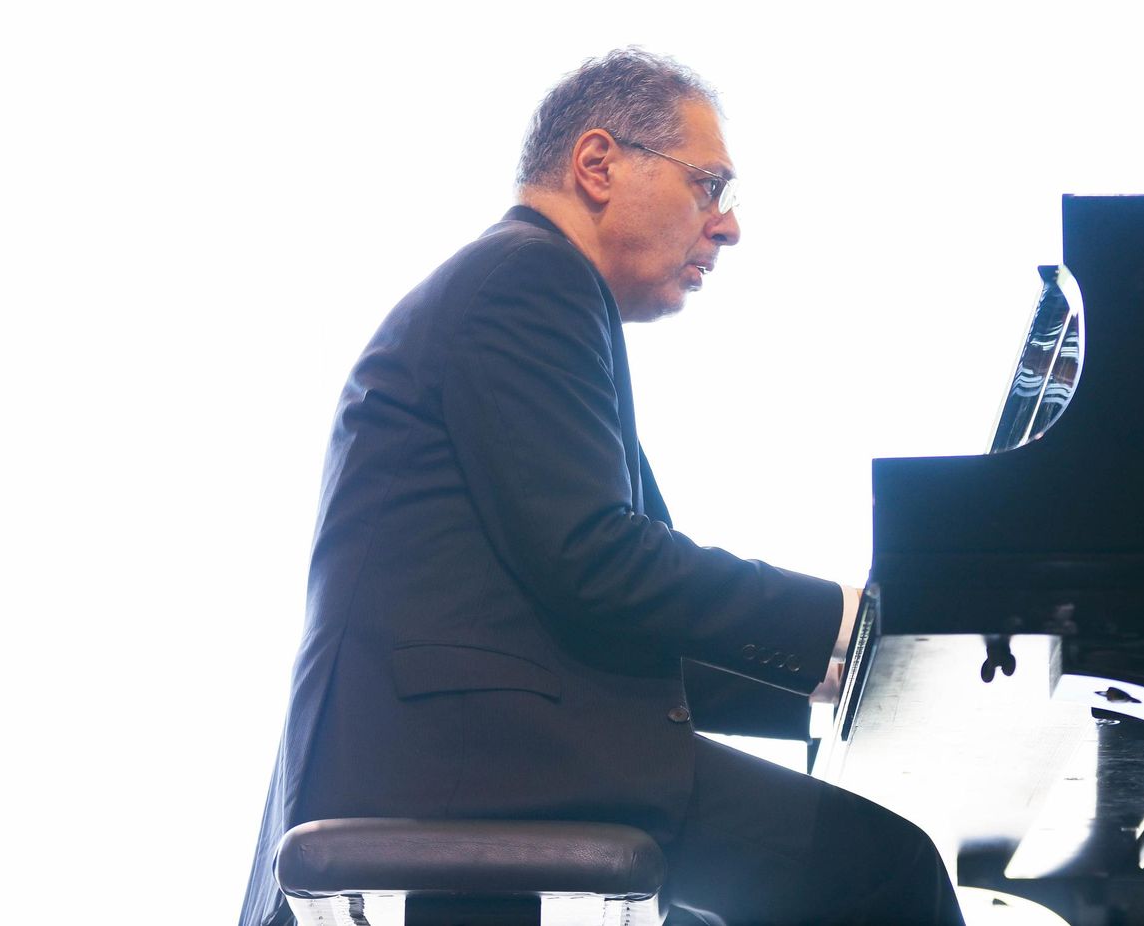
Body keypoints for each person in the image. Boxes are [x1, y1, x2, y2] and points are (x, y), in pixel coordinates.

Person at [239, 48, 964, 926]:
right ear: (597, 164)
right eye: (709, 186)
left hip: (461, 751)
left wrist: (839, 686)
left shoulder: (513, 288)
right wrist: (845, 625)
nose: (727, 226)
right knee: (886, 872)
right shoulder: (527, 280)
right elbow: (598, 561)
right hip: (464, 762)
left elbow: (612, 613)